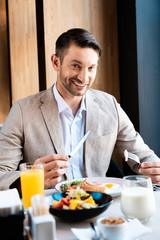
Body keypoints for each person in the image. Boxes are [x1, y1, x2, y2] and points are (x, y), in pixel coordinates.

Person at [0, 28, 160, 191]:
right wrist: (30, 179)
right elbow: (1, 174)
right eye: (76, 66)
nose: (84, 78)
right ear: (56, 62)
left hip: (102, 206)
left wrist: (155, 169)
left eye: (91, 68)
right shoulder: (22, 111)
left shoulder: (110, 105)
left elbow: (143, 155)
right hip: (51, 209)